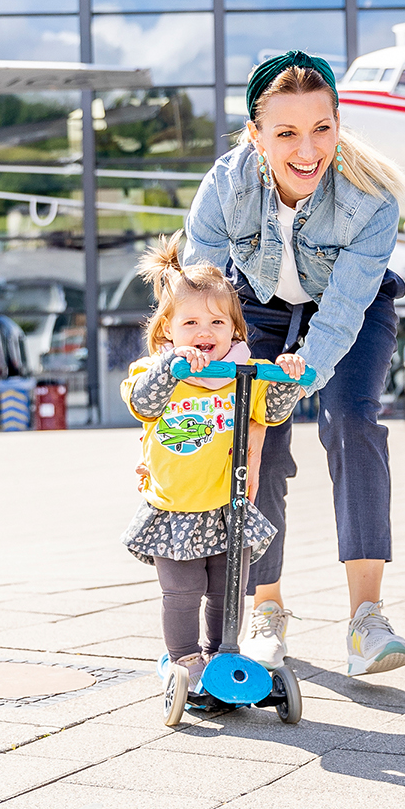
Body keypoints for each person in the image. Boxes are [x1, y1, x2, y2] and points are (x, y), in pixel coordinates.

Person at [182, 50, 405, 677]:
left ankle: (367, 618)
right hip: (255, 309)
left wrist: (303, 373)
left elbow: (341, 310)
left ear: (339, 125)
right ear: (256, 136)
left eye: (321, 129)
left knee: (353, 423)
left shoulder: (372, 198)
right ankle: (267, 609)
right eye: (285, 133)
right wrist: (203, 363)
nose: (306, 148)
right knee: (257, 445)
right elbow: (198, 282)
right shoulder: (226, 184)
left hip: (351, 311)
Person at [118, 234, 305, 689]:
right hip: (176, 507)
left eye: (218, 322)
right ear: (167, 332)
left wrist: (285, 377)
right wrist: (171, 366)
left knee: (227, 593)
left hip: (230, 507)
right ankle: (183, 659)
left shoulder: (243, 376)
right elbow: (143, 403)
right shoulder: (154, 372)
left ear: (234, 333)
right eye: (191, 322)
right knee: (181, 593)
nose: (205, 332)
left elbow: (273, 413)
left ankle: (222, 655)